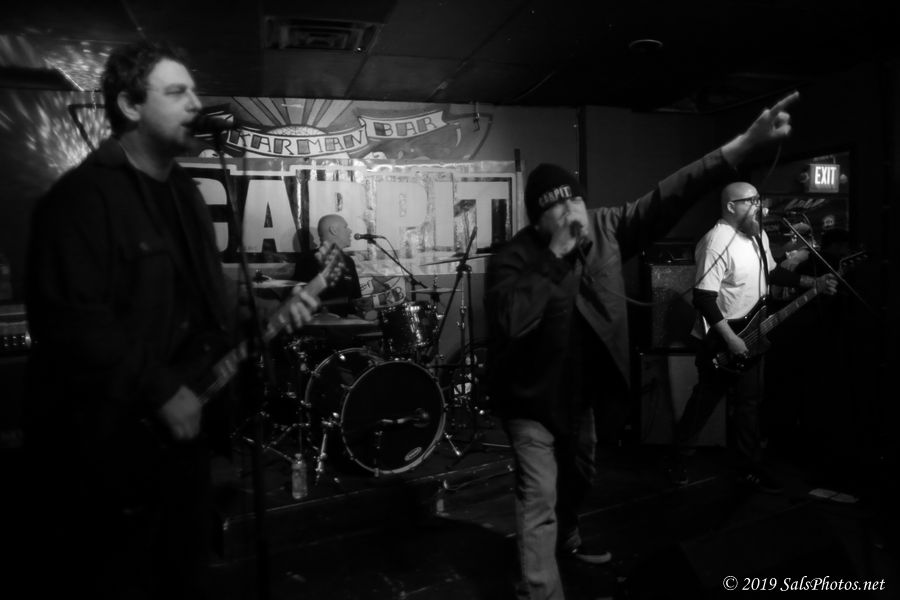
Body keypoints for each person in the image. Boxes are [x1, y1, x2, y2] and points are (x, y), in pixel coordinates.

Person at [23, 40, 318, 599]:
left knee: (184, 571)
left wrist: (264, 312)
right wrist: (157, 388)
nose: (195, 104)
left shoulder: (183, 193)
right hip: (110, 453)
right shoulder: (82, 198)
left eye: (193, 91)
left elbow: (205, 293)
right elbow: (73, 324)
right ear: (130, 105)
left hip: (182, 444)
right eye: (177, 92)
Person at [485, 91, 803, 600]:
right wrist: (556, 258)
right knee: (538, 494)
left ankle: (567, 537)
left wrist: (741, 146)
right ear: (536, 220)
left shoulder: (607, 227)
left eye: (575, 201)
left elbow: (668, 194)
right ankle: (540, 589)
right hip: (530, 400)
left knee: (580, 475)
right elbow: (510, 320)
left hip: (579, 395)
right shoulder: (513, 257)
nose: (571, 213)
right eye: (557, 208)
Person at [674, 182, 837, 492]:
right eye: (751, 201)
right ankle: (679, 458)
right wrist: (730, 339)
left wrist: (811, 282)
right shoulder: (716, 241)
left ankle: (749, 468)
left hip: (753, 333)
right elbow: (704, 298)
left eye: (759, 200)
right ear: (731, 206)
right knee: (704, 404)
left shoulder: (757, 235)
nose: (758, 206)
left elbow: (772, 273)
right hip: (721, 338)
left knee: (748, 406)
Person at [294, 213, 362, 317]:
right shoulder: (308, 260)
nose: (350, 231)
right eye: (345, 227)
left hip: (347, 323)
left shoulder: (349, 261)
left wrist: (361, 304)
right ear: (333, 230)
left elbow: (355, 298)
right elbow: (301, 299)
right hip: (320, 323)